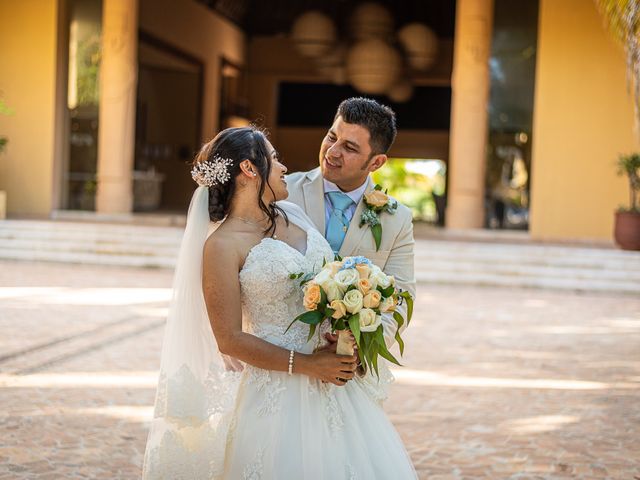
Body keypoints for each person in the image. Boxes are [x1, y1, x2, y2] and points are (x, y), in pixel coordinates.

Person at [142, 126, 417, 479]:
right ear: (249, 169)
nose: (284, 167)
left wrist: (340, 332)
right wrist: (306, 365)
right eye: (274, 159)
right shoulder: (222, 247)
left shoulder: (291, 214)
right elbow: (228, 339)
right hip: (276, 392)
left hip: (333, 384)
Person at [285, 97, 416, 351]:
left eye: (350, 148)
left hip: (348, 369)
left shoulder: (397, 219)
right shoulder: (282, 192)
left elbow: (401, 299)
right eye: (332, 137)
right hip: (283, 354)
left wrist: (358, 346)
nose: (333, 152)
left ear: (376, 163)